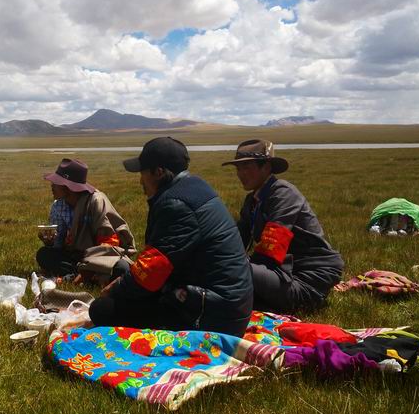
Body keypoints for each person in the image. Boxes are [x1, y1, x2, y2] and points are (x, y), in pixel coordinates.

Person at [89, 137, 253, 337]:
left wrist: (115, 290)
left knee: (102, 309)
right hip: (224, 305)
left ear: (158, 172)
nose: (141, 180)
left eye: (143, 173)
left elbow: (152, 272)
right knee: (125, 279)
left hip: (215, 319)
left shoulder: (175, 205)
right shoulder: (194, 186)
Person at [223, 139, 344, 313]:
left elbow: (270, 251)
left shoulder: (283, 193)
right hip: (284, 272)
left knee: (232, 271)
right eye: (238, 168)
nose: (241, 174)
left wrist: (237, 266)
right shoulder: (252, 201)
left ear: (267, 167)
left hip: (307, 278)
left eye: (247, 167)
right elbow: (237, 241)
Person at [36, 158, 135, 282]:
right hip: (77, 255)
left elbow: (109, 244)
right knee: (44, 254)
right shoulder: (58, 206)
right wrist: (49, 242)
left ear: (68, 187)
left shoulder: (96, 201)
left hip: (102, 256)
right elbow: (59, 245)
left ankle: (81, 274)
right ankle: (85, 275)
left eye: (56, 182)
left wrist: (89, 268)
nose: (52, 186)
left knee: (122, 268)